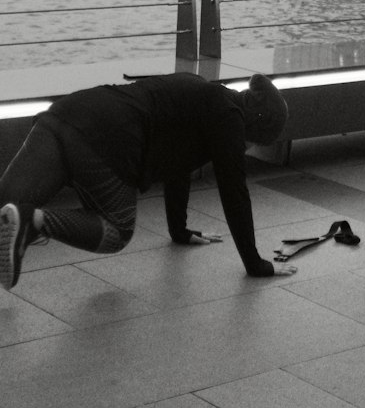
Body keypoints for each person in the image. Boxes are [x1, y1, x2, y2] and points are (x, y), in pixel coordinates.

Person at [0, 72, 297, 291]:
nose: (247, 147)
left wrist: (179, 230)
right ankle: (34, 221)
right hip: (110, 138)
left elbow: (178, 164)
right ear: (256, 124)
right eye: (255, 141)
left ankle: (23, 220)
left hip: (71, 111)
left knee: (5, 205)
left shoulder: (204, 92)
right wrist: (255, 264)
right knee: (116, 230)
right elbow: (235, 194)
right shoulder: (230, 119)